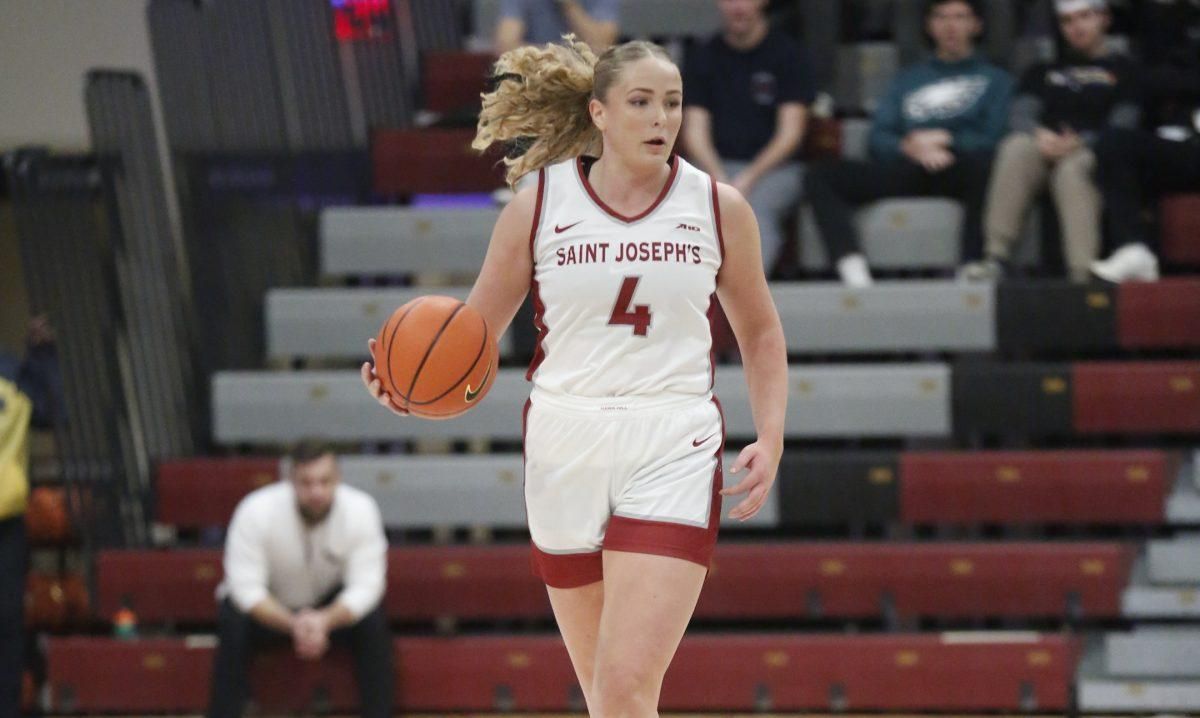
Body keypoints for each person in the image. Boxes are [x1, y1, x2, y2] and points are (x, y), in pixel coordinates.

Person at [362, 36, 787, 715]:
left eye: (672, 103)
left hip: (671, 442)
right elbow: (468, 340)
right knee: (605, 699)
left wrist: (772, 432)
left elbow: (761, 331)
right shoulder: (537, 207)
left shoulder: (719, 208)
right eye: (641, 102)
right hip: (564, 444)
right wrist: (407, 389)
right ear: (598, 113)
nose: (661, 119)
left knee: (624, 689)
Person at [804, 0, 1013, 286]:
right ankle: (851, 265)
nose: (951, 26)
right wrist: (909, 147)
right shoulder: (908, 79)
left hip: (960, 168)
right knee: (820, 174)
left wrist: (948, 140)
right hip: (909, 165)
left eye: (960, 17)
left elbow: (993, 136)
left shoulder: (996, 80)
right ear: (929, 25)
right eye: (941, 17)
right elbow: (878, 137)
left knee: (989, 167)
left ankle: (971, 265)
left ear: (976, 25)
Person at [207, 441, 391, 718]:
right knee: (233, 617)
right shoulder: (255, 511)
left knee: (372, 620)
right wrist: (293, 624)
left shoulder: (361, 510)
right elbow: (245, 588)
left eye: (324, 481)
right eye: (306, 482)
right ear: (289, 481)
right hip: (272, 610)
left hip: (329, 610)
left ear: (337, 479)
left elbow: (368, 585)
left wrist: (325, 620)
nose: (316, 492)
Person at [961, 0, 1141, 282]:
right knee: (1016, 147)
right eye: (1068, 21)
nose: (1077, 27)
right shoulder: (1042, 70)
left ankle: (1081, 271)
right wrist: (1038, 134)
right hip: (1044, 142)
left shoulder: (1126, 71)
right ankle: (995, 257)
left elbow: (1124, 124)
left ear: (1104, 19)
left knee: (1073, 170)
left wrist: (1081, 141)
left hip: (1092, 148)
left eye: (1084, 17)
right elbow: (1020, 115)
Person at [682, 0, 815, 277]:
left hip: (776, 170)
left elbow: (790, 135)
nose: (738, 7)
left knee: (754, 211)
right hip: (715, 166)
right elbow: (695, 132)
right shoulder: (701, 56)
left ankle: (741, 302)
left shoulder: (790, 54)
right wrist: (718, 175)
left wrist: (749, 178)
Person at [1090, 0, 1200, 282]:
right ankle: (1133, 249)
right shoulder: (1154, 22)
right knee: (1114, 144)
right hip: (1179, 144)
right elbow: (1140, 82)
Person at [0, 316, 59, 718]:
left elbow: (52, 413)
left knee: (6, 625)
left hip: (5, 525)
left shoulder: (12, 373)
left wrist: (43, 357)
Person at [494, 0, 619, 54]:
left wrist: (569, 5)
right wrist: (560, 57)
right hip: (535, 79)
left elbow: (602, 46)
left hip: (584, 83)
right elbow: (505, 48)